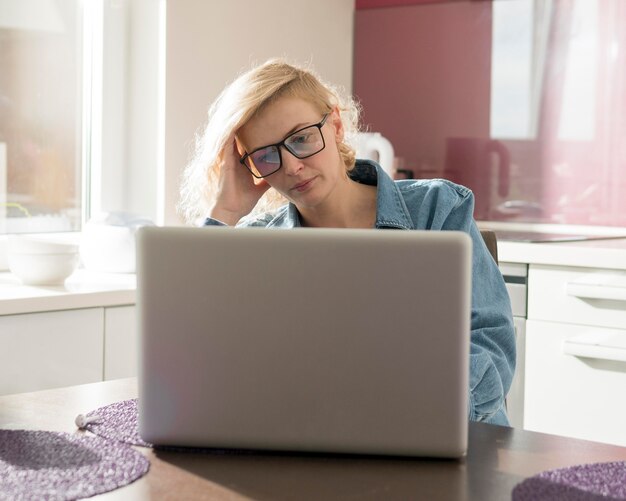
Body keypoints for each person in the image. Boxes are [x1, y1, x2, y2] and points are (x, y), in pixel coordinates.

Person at [179, 58, 516, 426]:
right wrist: (225, 211)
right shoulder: (255, 245)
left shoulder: (438, 209)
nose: (291, 166)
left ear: (336, 125)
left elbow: (490, 342)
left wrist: (423, 413)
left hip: (450, 435)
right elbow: (198, 360)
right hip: (319, 437)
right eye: (266, 155)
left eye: (301, 138)